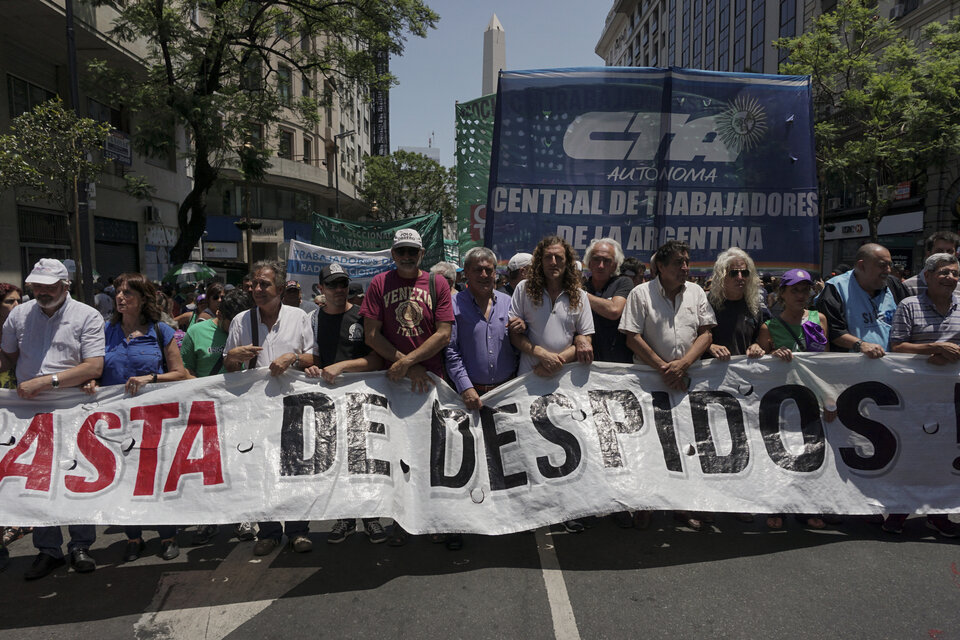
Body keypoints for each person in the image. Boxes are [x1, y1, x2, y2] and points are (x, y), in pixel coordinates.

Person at [0, 259, 104, 580]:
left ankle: (81, 545)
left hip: (73, 409)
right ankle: (48, 550)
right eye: (37, 286)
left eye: (49, 286)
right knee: (38, 480)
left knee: (76, 476)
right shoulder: (19, 315)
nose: (42, 292)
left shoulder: (87, 316)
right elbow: (7, 356)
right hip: (28, 413)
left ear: (65, 285)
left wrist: (46, 382)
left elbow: (93, 367)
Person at [83, 273, 189, 561]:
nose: (120, 297)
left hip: (152, 419)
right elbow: (93, 369)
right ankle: (133, 537)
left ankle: (167, 535)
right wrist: (91, 383)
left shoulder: (160, 331)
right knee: (123, 479)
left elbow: (180, 374)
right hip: (115, 422)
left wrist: (151, 378)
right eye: (118, 291)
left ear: (143, 299)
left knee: (155, 477)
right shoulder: (104, 332)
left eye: (128, 293)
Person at [360, 228, 455, 546]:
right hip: (395, 384)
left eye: (412, 251)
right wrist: (407, 365)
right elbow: (371, 335)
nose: (406, 256)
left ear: (421, 252)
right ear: (392, 253)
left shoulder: (436, 283)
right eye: (401, 251)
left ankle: (435, 519)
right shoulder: (379, 284)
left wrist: (409, 363)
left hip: (430, 385)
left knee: (433, 456)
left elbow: (443, 334)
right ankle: (402, 520)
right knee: (396, 455)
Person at [619, 240, 716, 531]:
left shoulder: (697, 292)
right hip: (650, 381)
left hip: (687, 381)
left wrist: (682, 364)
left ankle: (682, 506)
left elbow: (706, 333)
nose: (685, 267)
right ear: (660, 266)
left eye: (687, 261)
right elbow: (632, 337)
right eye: (678, 262)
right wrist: (664, 368)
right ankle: (646, 504)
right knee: (649, 445)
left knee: (688, 444)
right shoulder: (640, 294)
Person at [224, 260, 317, 556]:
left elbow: (312, 358)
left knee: (295, 467)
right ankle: (269, 531)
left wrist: (292, 357)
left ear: (278, 288)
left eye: (264, 284)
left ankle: (298, 531)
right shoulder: (241, 321)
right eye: (254, 284)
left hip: (292, 405)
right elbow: (227, 367)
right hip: (256, 408)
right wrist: (233, 356)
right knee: (260, 469)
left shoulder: (298, 317)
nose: (258, 289)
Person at [509, 235, 594, 533]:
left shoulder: (579, 295)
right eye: (548, 258)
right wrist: (540, 354)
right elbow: (515, 335)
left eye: (559, 257)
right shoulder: (522, 289)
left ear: (568, 261)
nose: (554, 262)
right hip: (528, 381)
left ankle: (566, 509)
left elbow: (584, 337)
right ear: (540, 262)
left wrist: (557, 360)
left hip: (566, 385)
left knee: (568, 449)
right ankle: (533, 511)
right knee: (530, 447)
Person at [443, 247, 523, 548]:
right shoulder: (454, 305)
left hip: (504, 393)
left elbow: (518, 343)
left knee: (507, 461)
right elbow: (450, 351)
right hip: (467, 396)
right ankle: (457, 525)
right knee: (464, 466)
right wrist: (465, 387)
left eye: (490, 269)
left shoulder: (509, 303)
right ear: (466, 274)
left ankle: (508, 520)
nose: (485, 274)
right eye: (478, 269)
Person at [303, 264, 387, 545]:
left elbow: (377, 360)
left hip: (364, 400)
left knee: (367, 461)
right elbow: (314, 358)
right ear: (321, 289)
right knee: (338, 461)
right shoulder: (313, 319)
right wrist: (313, 369)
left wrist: (343, 366)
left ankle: (372, 518)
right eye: (333, 285)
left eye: (343, 284)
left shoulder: (362, 316)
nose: (339, 290)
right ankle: (345, 518)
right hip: (330, 403)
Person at [884, 253, 960, 537]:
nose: (950, 278)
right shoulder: (909, 306)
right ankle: (899, 510)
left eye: (954, 273)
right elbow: (897, 347)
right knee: (910, 453)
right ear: (927, 276)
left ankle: (939, 514)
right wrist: (934, 348)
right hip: (914, 394)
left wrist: (950, 355)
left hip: (951, 398)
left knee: (944, 456)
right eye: (943, 272)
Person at [180, 289, 257, 546]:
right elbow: (185, 371)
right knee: (207, 468)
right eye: (231, 322)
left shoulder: (251, 328)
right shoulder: (195, 333)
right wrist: (204, 391)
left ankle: (242, 517)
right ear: (219, 314)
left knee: (241, 464)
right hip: (207, 411)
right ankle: (208, 518)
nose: (237, 327)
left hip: (242, 409)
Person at [757, 268, 829, 530]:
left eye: (805, 290)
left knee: (811, 452)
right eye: (795, 290)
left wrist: (828, 399)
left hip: (811, 398)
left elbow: (827, 362)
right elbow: (758, 367)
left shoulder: (818, 319)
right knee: (778, 453)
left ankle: (806, 506)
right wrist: (771, 353)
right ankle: (776, 507)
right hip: (781, 401)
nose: (801, 295)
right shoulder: (769, 327)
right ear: (782, 294)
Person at [816, 243, 900, 358]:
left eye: (890, 265)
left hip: (891, 366)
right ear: (862, 266)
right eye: (882, 265)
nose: (888, 270)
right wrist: (860, 345)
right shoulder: (835, 288)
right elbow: (833, 331)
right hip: (852, 369)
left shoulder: (893, 285)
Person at [0, 282, 28, 554]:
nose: (16, 306)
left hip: (18, 412)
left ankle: (17, 521)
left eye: (19, 301)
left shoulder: (23, 331)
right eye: (9, 302)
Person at [706, 248, 766, 361]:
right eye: (734, 273)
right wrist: (709, 346)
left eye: (744, 273)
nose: (740, 277)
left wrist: (757, 345)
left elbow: (760, 338)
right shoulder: (707, 303)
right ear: (722, 276)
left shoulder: (754, 305)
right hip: (713, 375)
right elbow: (692, 338)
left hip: (744, 374)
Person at [903, 231, 960, 296]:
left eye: (950, 251)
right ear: (928, 254)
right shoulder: (909, 286)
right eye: (939, 251)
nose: (945, 255)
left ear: (956, 255)